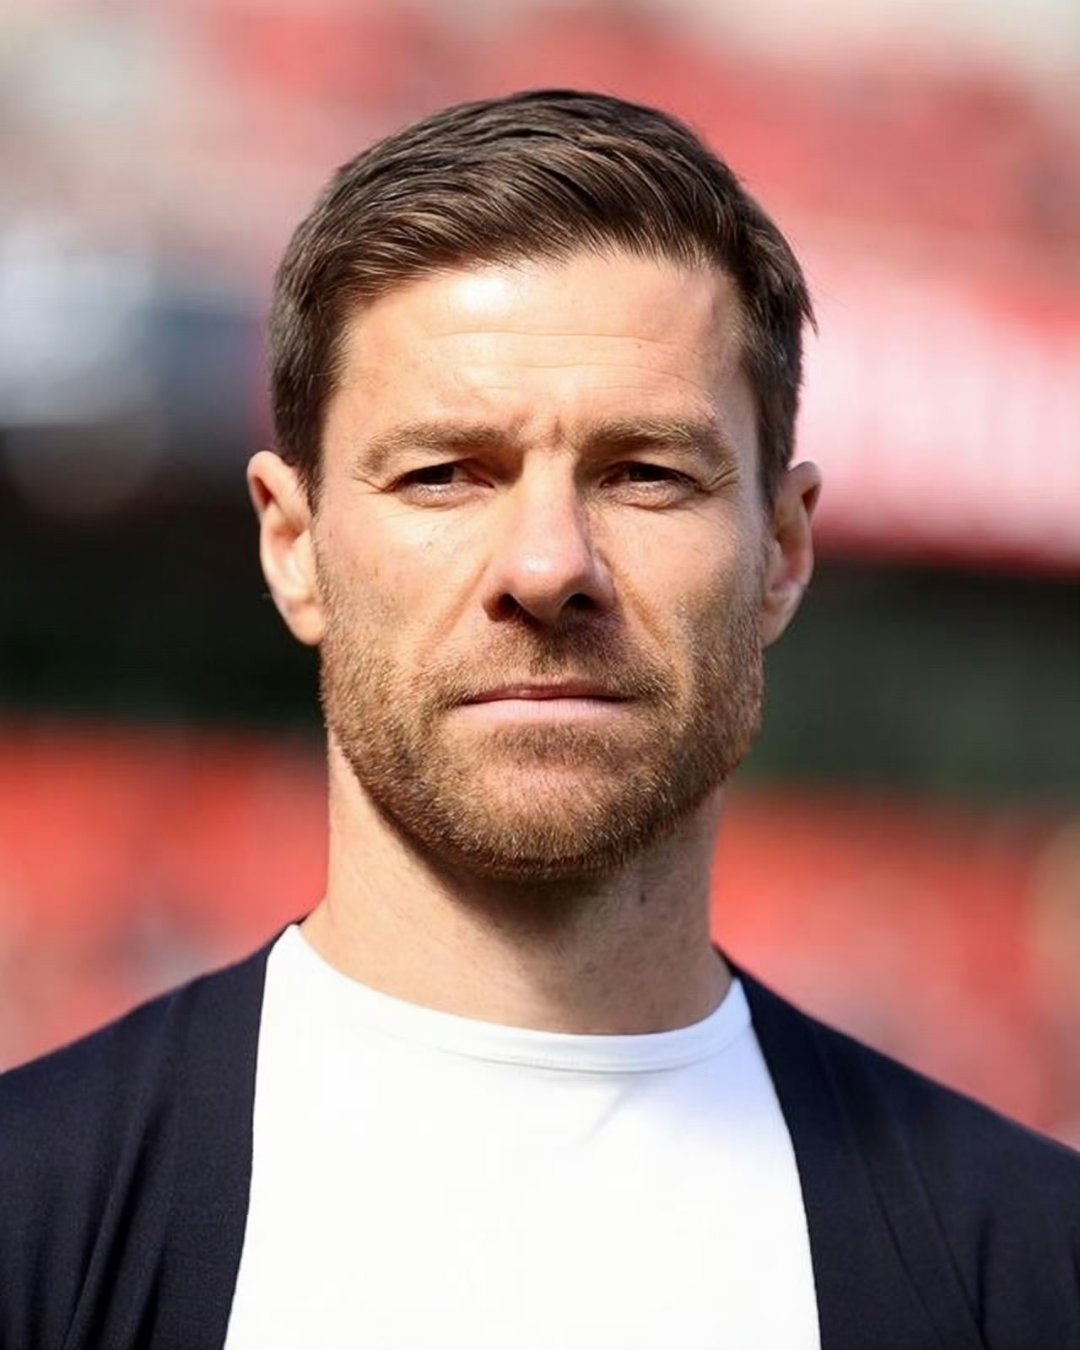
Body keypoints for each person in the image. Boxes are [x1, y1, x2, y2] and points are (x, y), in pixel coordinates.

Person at [1, 90, 1077, 1350]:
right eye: (444, 474)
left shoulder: (1035, 1265)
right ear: (294, 549)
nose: (548, 565)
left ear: (782, 551)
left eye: (645, 474)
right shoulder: (34, 1223)